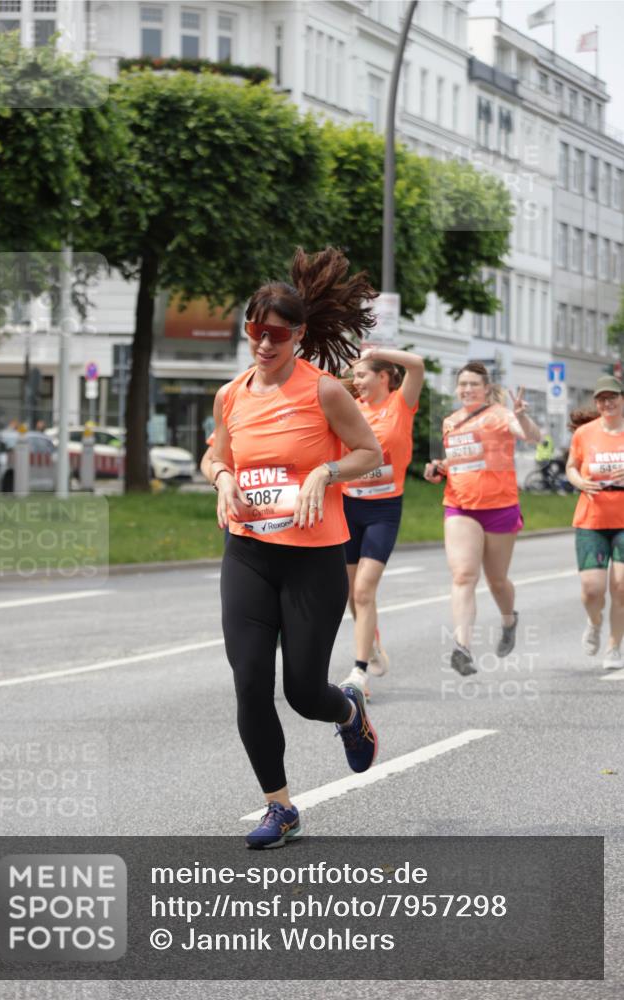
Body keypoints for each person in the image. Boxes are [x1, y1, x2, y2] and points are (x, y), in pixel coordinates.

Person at [210, 247, 383, 850]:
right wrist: (222, 477)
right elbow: (217, 453)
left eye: (277, 333)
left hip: (313, 560)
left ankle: (348, 712)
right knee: (249, 681)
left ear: (298, 335)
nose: (264, 342)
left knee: (303, 693)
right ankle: (279, 808)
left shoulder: (326, 392)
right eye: (256, 330)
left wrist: (324, 474)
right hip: (249, 553)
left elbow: (371, 453)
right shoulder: (231, 395)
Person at [423, 362, 541, 676]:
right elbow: (461, 460)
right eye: (462, 384)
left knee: (497, 580)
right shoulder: (450, 422)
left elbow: (532, 437)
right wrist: (439, 468)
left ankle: (508, 620)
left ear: (486, 389)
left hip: (500, 507)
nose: (467, 390)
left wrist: (522, 415)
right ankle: (462, 647)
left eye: (474, 384)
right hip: (460, 506)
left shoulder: (502, 414)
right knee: (463, 575)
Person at [339, 346, 425, 699]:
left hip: (383, 510)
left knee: (364, 590)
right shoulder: (350, 411)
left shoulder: (400, 404)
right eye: (355, 376)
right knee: (349, 593)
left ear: (384, 377)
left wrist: (374, 350)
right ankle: (370, 642)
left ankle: (359, 672)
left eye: (362, 375)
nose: (356, 381)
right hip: (348, 506)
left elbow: (417, 365)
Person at [565, 375, 624, 671]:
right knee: (592, 589)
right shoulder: (585, 434)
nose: (607, 403)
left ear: (622, 399)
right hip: (592, 518)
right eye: (601, 399)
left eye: (612, 397)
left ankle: (614, 646)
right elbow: (572, 466)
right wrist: (579, 481)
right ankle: (594, 621)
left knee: (622, 586)